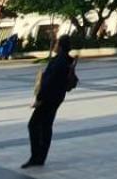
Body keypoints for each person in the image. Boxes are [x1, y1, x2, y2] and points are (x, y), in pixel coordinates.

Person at [21, 36, 78, 169]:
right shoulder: (66, 60)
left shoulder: (59, 61)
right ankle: (40, 156)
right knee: (46, 125)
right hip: (57, 97)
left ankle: (36, 156)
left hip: (48, 98)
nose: (54, 45)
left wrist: (39, 98)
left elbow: (49, 82)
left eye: (56, 42)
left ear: (61, 46)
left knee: (34, 125)